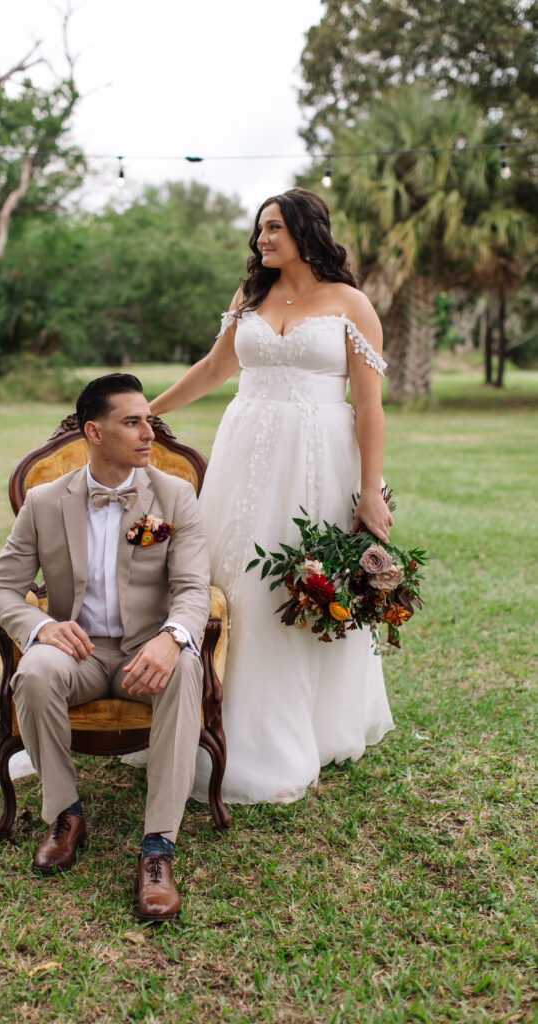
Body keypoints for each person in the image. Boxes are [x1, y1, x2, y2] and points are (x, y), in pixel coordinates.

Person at [148, 188, 395, 805]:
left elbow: (368, 404)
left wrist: (370, 491)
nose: (263, 238)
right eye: (260, 228)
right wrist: (146, 413)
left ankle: (302, 730)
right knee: (232, 578)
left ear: (308, 231)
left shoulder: (351, 304)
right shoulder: (249, 297)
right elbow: (212, 369)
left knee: (298, 581)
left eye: (275, 227)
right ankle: (213, 717)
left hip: (317, 460)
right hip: (246, 451)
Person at [0, 373, 211, 921]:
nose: (147, 433)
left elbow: (193, 589)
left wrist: (171, 638)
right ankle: (65, 814)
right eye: (131, 422)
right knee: (34, 672)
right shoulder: (42, 502)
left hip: (146, 653)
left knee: (184, 668)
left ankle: (158, 847)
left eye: (148, 421)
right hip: (78, 654)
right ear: (94, 431)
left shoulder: (174, 495)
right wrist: (40, 630)